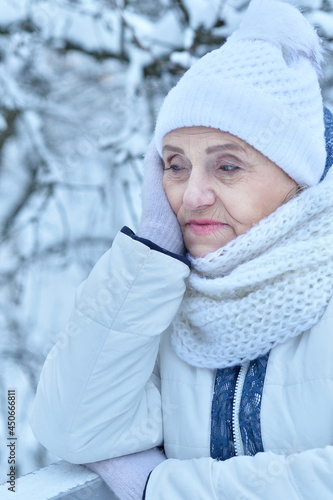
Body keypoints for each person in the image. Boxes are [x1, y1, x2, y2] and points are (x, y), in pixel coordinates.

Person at [31, 0, 333, 498]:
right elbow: (71, 427)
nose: (191, 195)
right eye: (174, 165)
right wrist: (149, 251)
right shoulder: (168, 308)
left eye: (227, 166)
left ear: (296, 179)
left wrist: (163, 488)